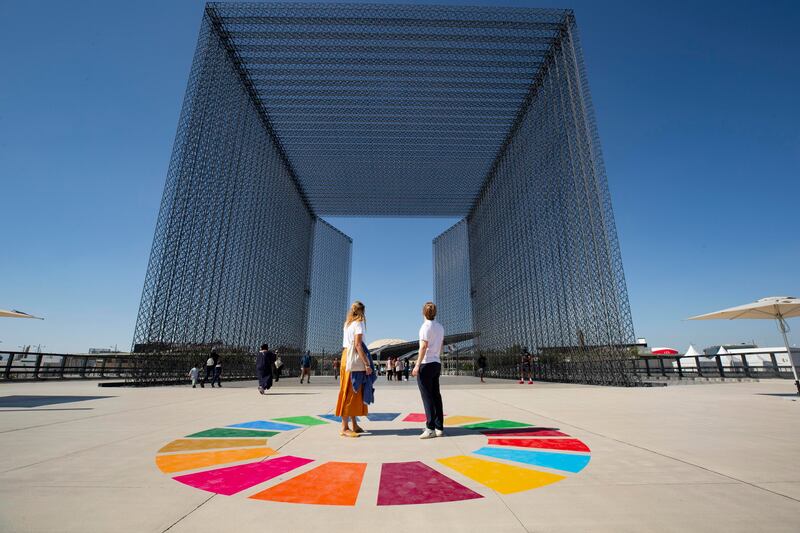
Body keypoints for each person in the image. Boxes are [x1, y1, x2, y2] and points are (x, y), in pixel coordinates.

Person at [335, 300, 375, 437]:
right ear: (362, 311)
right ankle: (344, 427)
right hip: (354, 359)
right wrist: (367, 364)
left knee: (351, 390)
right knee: (352, 390)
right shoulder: (359, 324)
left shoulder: (347, 324)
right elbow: (358, 345)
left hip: (346, 357)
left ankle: (354, 424)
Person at [412, 301, 445, 439]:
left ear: (423, 313)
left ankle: (430, 428)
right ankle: (439, 427)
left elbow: (423, 347)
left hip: (426, 364)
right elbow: (441, 346)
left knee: (427, 397)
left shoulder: (425, 327)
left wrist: (417, 365)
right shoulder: (440, 327)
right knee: (436, 395)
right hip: (436, 363)